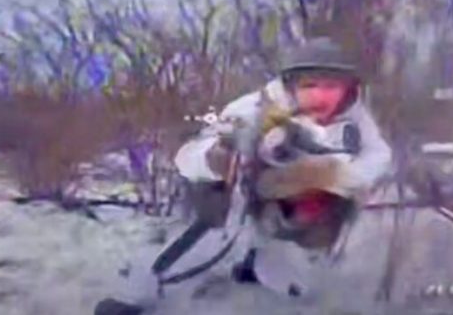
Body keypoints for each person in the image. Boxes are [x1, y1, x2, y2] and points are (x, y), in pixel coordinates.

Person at [95, 37, 392, 315]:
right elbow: (194, 152)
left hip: (290, 208)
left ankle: (263, 264)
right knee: (208, 232)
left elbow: (378, 156)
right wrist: (215, 158)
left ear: (347, 88)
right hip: (235, 195)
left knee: (300, 282)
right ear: (291, 84)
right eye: (310, 85)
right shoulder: (255, 107)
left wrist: (335, 177)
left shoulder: (355, 116)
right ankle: (139, 290)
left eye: (331, 86)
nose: (320, 96)